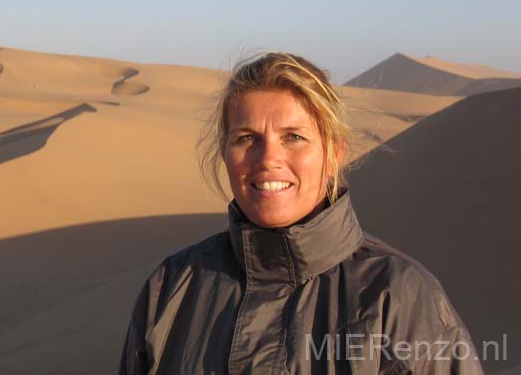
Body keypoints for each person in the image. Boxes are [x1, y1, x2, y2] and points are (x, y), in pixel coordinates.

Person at [118, 52, 483, 375]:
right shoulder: (172, 288)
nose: (268, 160)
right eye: (246, 138)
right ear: (225, 152)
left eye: (294, 136)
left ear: (334, 153)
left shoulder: (396, 295)